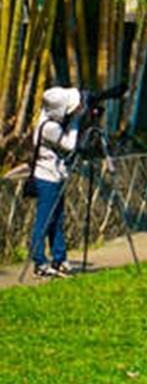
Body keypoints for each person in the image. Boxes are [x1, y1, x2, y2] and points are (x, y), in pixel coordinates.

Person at [28, 86, 82, 278]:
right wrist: (75, 121)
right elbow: (69, 145)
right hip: (47, 178)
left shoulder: (47, 117)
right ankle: (40, 262)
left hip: (55, 176)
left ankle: (59, 258)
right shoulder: (49, 127)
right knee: (44, 221)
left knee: (57, 220)